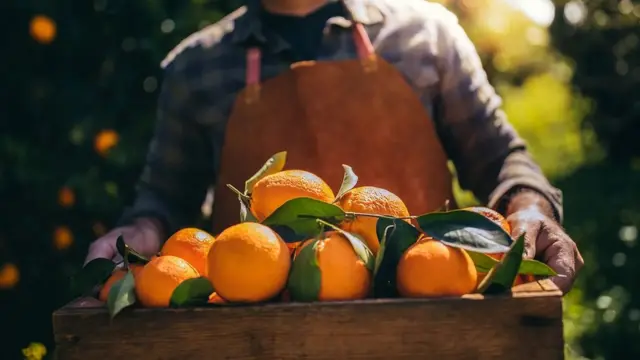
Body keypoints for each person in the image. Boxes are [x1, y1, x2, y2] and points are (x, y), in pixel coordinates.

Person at [84, 0, 583, 293]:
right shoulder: (197, 67)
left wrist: (531, 211)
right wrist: (137, 236)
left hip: (434, 316)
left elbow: (500, 160)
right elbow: (165, 200)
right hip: (258, 338)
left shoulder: (426, 35)